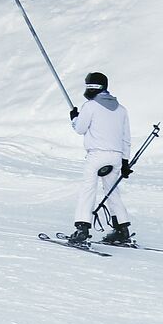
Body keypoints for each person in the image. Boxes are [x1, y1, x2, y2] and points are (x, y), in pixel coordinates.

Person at [68, 70, 135, 246]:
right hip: (115, 157)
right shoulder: (121, 110)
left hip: (96, 155)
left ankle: (82, 229)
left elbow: (80, 129)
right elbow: (126, 138)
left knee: (88, 189)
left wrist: (74, 118)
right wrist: (125, 162)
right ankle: (122, 229)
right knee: (112, 192)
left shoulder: (89, 106)